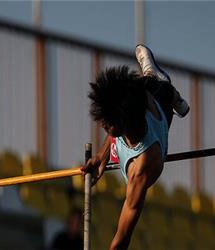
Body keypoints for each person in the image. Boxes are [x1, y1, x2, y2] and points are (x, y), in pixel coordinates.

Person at [81, 45, 189, 250]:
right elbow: (113, 128)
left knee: (162, 88)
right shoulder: (127, 108)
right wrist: (100, 156)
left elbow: (123, 236)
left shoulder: (141, 170)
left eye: (106, 123)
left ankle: (170, 91)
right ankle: (151, 74)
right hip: (145, 98)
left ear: (122, 125)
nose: (102, 125)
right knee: (143, 83)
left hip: (159, 110)